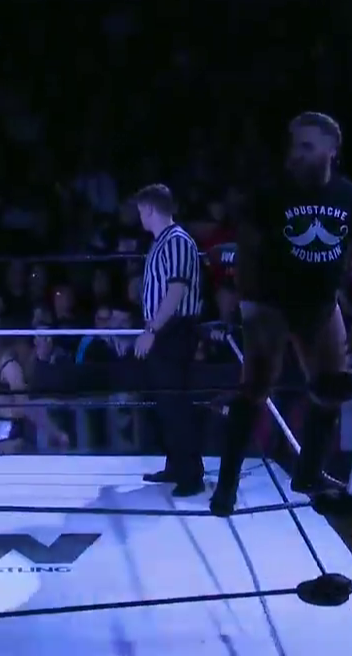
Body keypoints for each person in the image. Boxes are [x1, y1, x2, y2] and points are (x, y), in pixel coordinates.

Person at [210, 112, 352, 517]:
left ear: (331, 150)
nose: (296, 154)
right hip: (271, 301)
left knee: (332, 386)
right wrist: (247, 304)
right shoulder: (271, 194)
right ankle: (226, 486)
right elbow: (246, 252)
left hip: (320, 303)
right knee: (256, 386)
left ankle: (309, 473)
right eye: (294, 146)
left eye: (306, 146)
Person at [132, 184, 206, 497]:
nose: (139, 217)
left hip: (174, 330)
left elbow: (176, 291)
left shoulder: (177, 240)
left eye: (140, 211)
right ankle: (176, 465)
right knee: (166, 402)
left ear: (150, 209)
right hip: (165, 329)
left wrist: (152, 330)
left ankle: (191, 475)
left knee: (175, 403)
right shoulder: (162, 242)